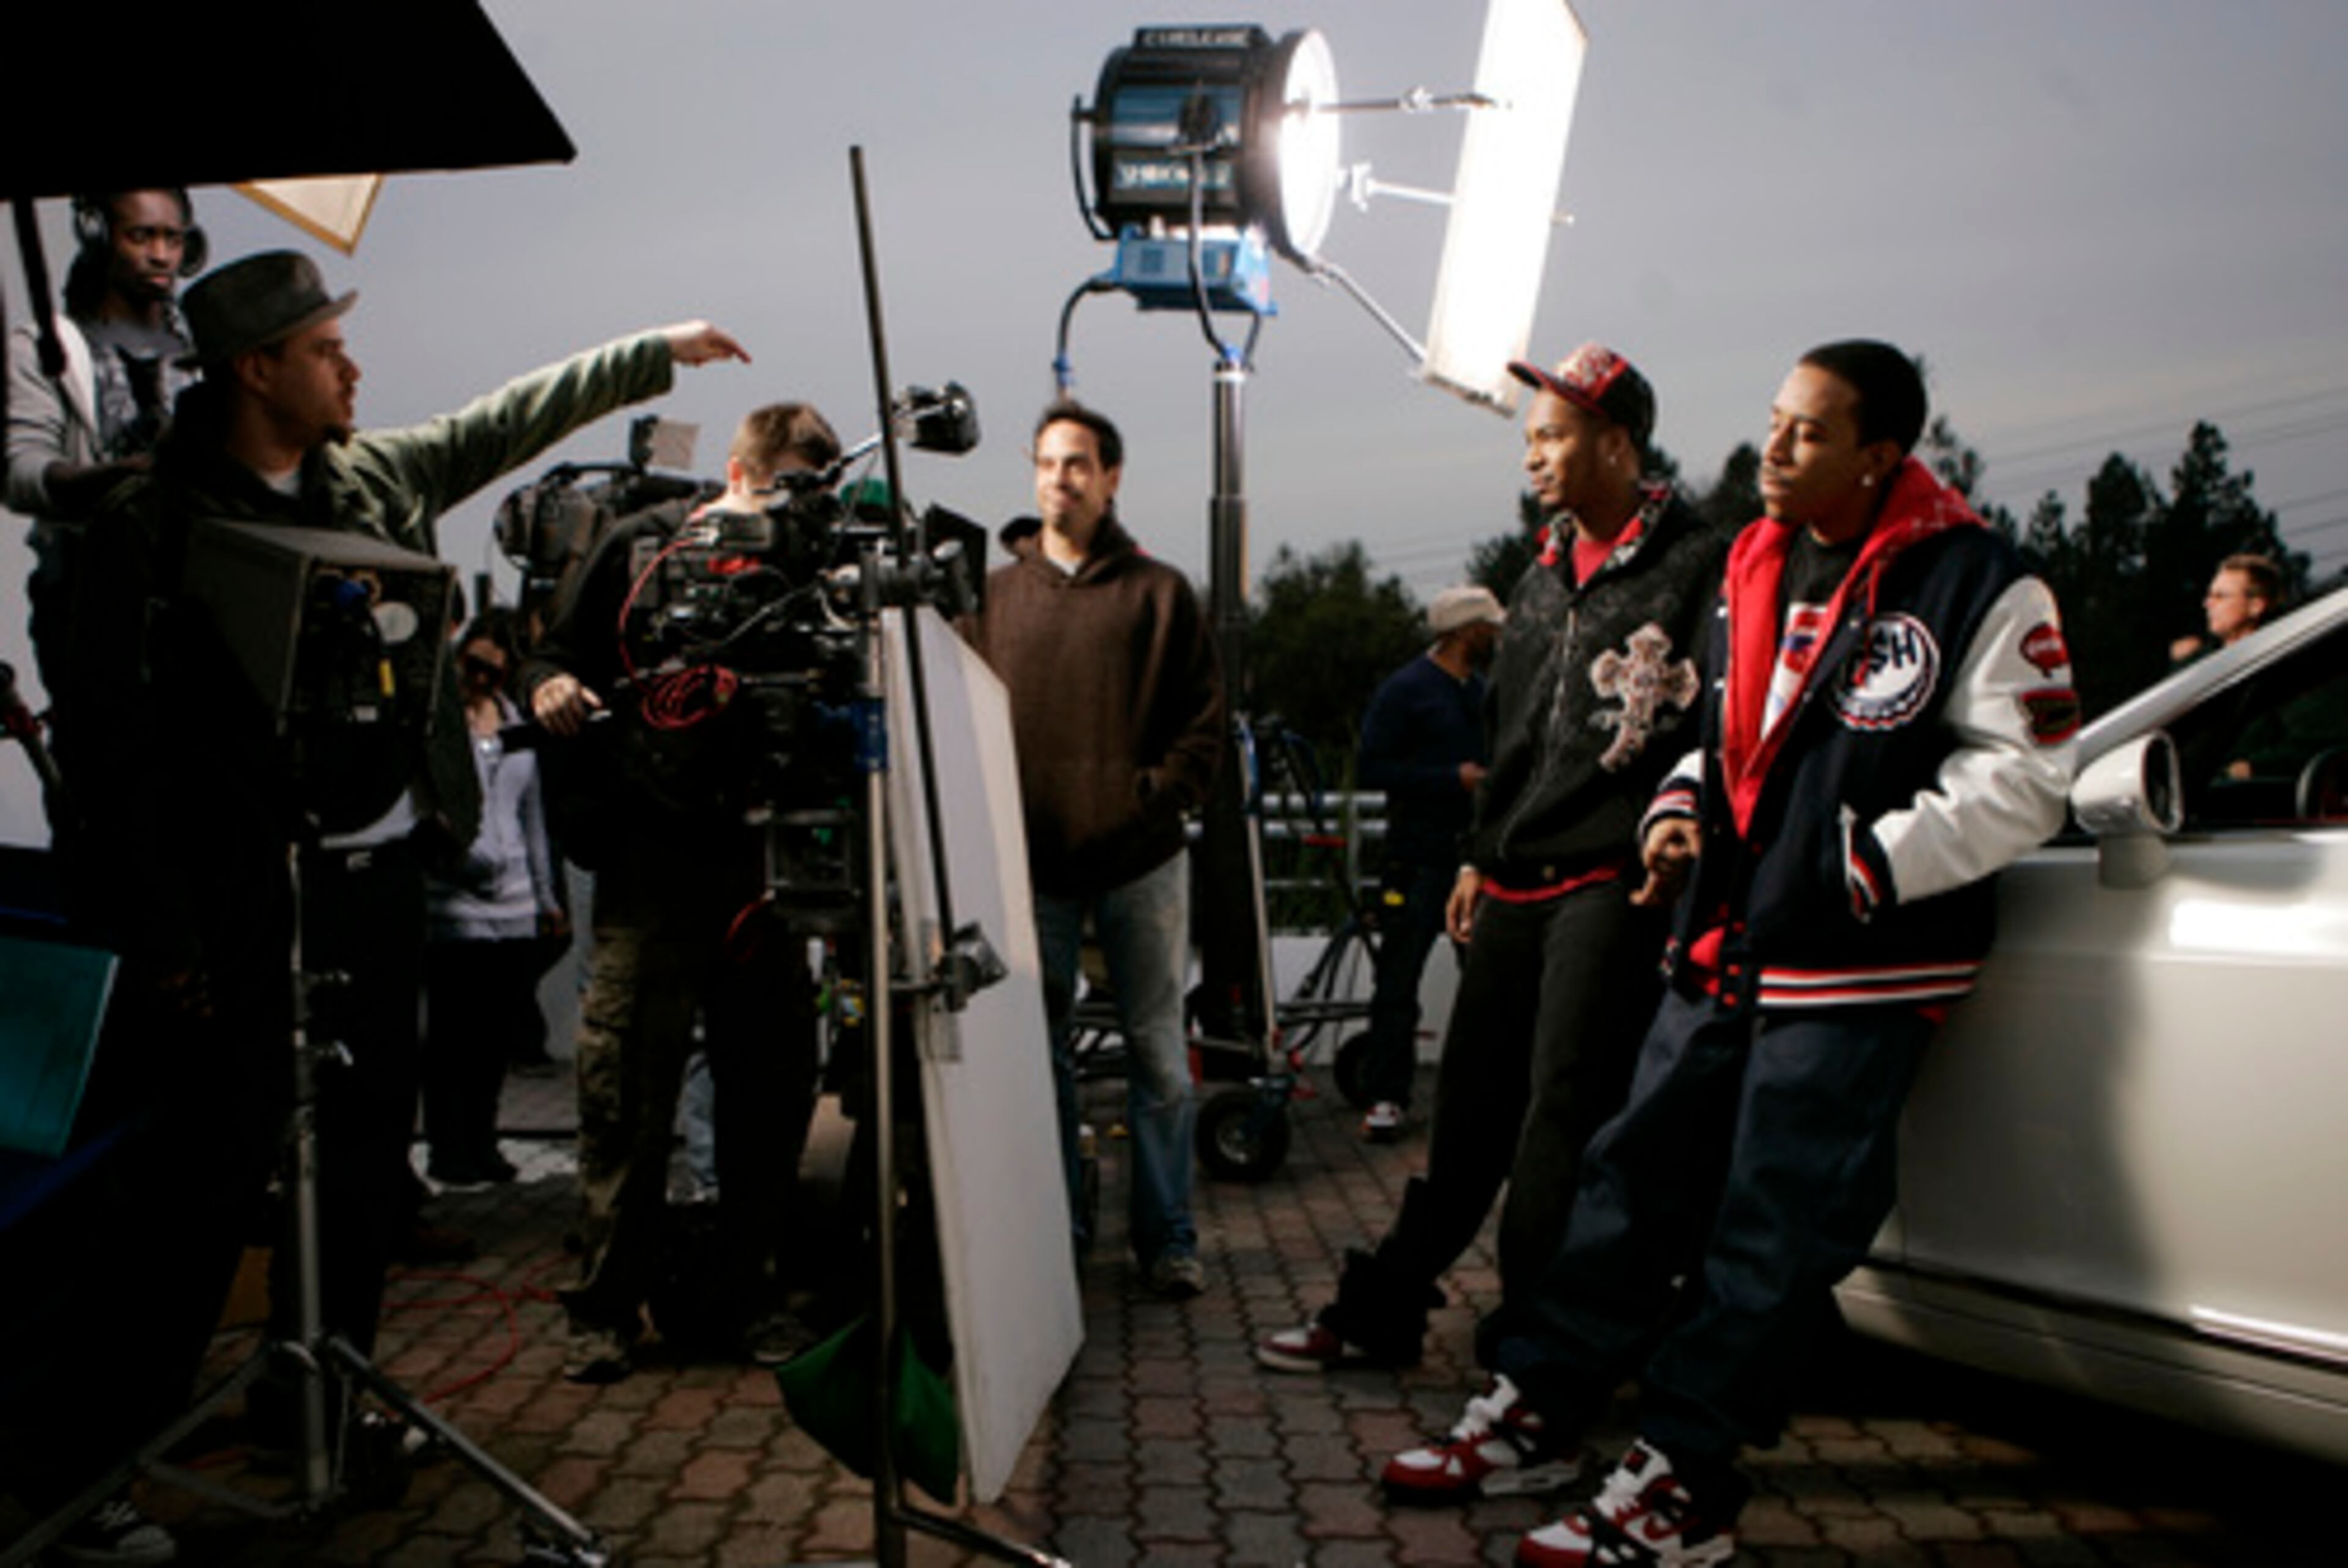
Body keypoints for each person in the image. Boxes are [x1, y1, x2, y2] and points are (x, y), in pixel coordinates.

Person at [48, 249, 748, 1534]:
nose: (352, 364)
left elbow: (507, 416)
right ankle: (97, 1473)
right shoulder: (145, 527)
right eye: (325, 348)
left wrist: (650, 352)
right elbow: (108, 742)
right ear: (258, 369)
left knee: (368, 1160)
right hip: (237, 895)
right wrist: (164, 922)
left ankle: (322, 1398)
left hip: (377, 877)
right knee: (207, 1177)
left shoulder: (375, 475)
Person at [1379, 342, 2079, 1568]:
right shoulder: (1752, 563)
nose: (1775, 446)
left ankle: (1688, 1477)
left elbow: (2027, 779)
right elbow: (1724, 734)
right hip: (1724, 943)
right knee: (1627, 1175)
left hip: (1859, 966)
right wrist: (1677, 807)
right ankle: (1546, 1399)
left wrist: (1866, 864)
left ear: (1880, 454)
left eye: (1810, 432)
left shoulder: (1977, 579)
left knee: (1770, 1226)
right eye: (1773, 420)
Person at [1257, 344, 1729, 1375]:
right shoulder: (1543, 570)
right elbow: (1511, 735)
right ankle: (1386, 1310)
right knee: (1470, 1112)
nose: (1536, 458)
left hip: (1615, 876)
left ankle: (1539, 1347)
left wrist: (1678, 818)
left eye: (1554, 436)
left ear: (1618, 442)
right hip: (1516, 873)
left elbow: (1721, 727)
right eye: (1530, 440)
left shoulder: (1700, 563)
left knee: (1565, 1114)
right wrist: (1477, 854)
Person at [526, 402, 833, 1382]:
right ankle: (607, 1311)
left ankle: (743, 1297)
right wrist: (551, 691)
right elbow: (554, 656)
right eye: (784, 487)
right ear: (740, 476)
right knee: (625, 1097)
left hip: (760, 866)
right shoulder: (640, 549)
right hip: (650, 863)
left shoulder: (809, 566)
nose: (795, 510)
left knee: (772, 1087)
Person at [972, 401, 1224, 1298]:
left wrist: (1149, 798)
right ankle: (1062, 1233)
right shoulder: (992, 600)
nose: (1059, 480)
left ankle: (1167, 1239)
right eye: (1046, 463)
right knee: (1038, 1061)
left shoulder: (1159, 595)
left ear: (1111, 477)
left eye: (1077, 464)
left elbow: (1206, 726)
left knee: (1159, 1057)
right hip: (1033, 868)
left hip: (1142, 865)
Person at [1349, 584, 1503, 1141]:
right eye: (1488, 627)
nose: (1497, 635)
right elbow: (1373, 767)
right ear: (1466, 632)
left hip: (1469, 858)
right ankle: (1388, 1095)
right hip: (1415, 857)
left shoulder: (1480, 691)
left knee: (1486, 981)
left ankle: (1485, 1097)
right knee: (1398, 981)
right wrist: (1450, 779)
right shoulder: (1406, 691)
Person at [421, 608, 561, 1188]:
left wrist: (547, 897)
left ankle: (483, 1139)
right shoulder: (441, 724)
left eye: (493, 672)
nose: (479, 680)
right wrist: (460, 860)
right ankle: (448, 1147)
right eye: (471, 666)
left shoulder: (512, 723)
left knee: (492, 1038)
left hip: (515, 902)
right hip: (455, 902)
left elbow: (532, 816)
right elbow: (432, 812)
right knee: (452, 1034)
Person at [2172, 551, 2283, 663]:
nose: (2207, 604)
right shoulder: (2197, 660)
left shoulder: (2280, 653)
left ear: (2255, 606)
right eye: (2210, 596)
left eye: (2220, 597)